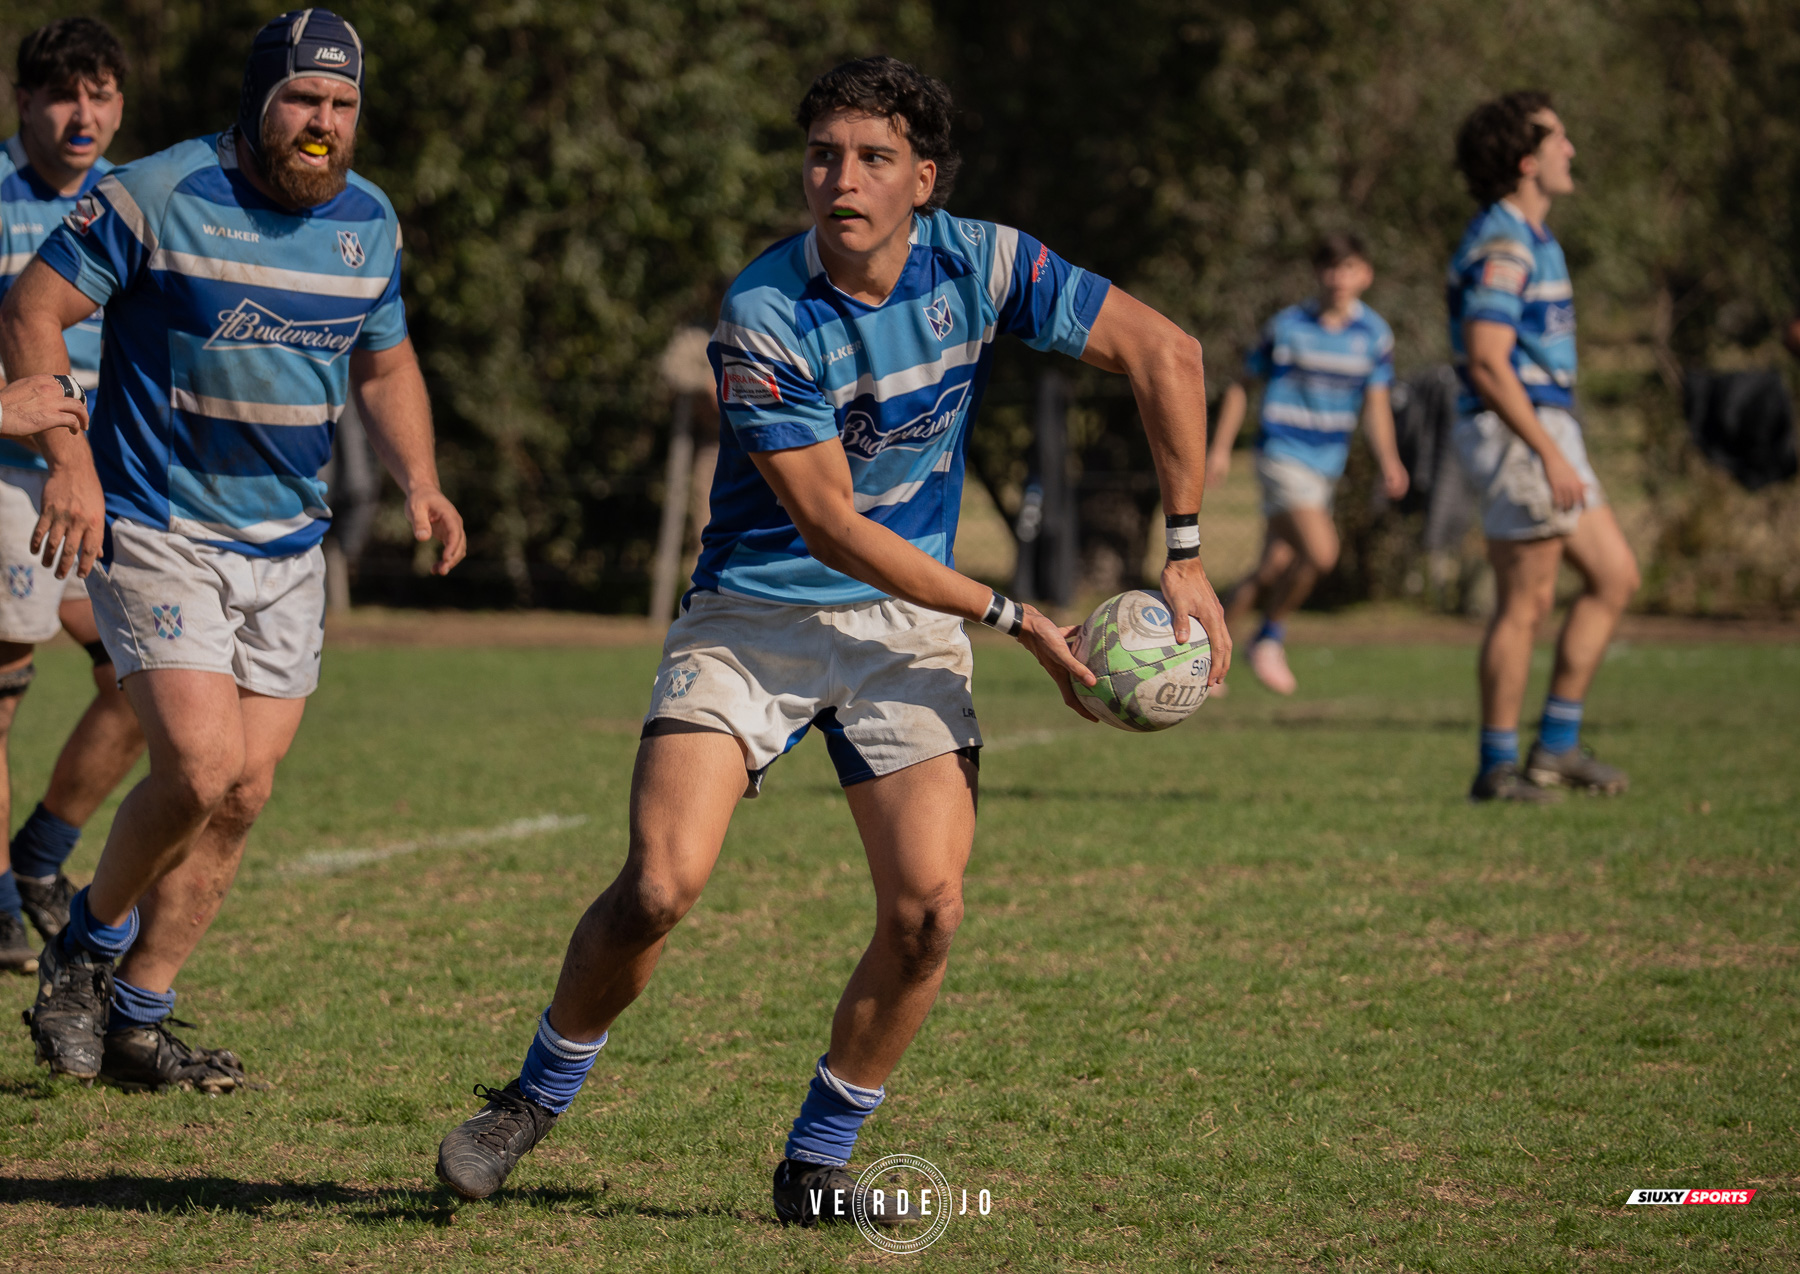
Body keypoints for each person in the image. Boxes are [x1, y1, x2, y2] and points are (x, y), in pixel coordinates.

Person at [433, 56, 1230, 1224]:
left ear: (923, 178)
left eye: (869, 159)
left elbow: (1172, 354)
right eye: (822, 156)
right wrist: (1009, 614)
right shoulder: (764, 314)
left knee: (928, 909)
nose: (839, 179)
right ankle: (530, 1097)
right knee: (659, 884)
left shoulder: (984, 261)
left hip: (905, 625)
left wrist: (1189, 547)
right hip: (755, 613)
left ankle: (815, 1165)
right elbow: (831, 523)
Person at [0, 8, 466, 1092]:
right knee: (199, 764)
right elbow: (33, 306)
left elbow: (387, 367)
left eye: (343, 106)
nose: (324, 125)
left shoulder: (370, 222)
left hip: (287, 545)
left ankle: (140, 1016)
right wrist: (68, 455)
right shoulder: (158, 192)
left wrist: (423, 481)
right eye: (303, 100)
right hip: (158, 524)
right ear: (260, 100)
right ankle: (81, 949)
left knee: (245, 791)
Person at [0, 19, 148, 978]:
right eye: (63, 94)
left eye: (100, 93)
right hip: (11, 479)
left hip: (104, 483)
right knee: (3, 695)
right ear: (23, 102)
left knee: (149, 684)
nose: (83, 114)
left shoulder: (133, 206)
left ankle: (42, 856)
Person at [1448, 91, 1638, 803]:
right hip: (1518, 431)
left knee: (1615, 576)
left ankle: (1556, 748)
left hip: (1545, 427)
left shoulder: (1534, 236)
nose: (1572, 150)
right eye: (1560, 139)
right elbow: (1489, 360)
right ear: (1527, 161)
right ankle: (1497, 768)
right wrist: (1548, 453)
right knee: (1524, 604)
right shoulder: (1503, 241)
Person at [1206, 233, 1409, 695]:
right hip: (1280, 454)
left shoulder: (1374, 335)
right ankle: (1269, 638)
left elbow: (1376, 406)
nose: (1338, 277)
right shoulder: (1287, 327)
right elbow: (1242, 385)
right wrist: (1220, 448)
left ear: (1365, 275)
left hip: (1326, 467)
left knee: (1273, 568)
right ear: (1318, 273)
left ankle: (1201, 652)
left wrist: (1389, 460)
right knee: (1322, 553)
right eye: (1330, 267)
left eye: (1349, 267)